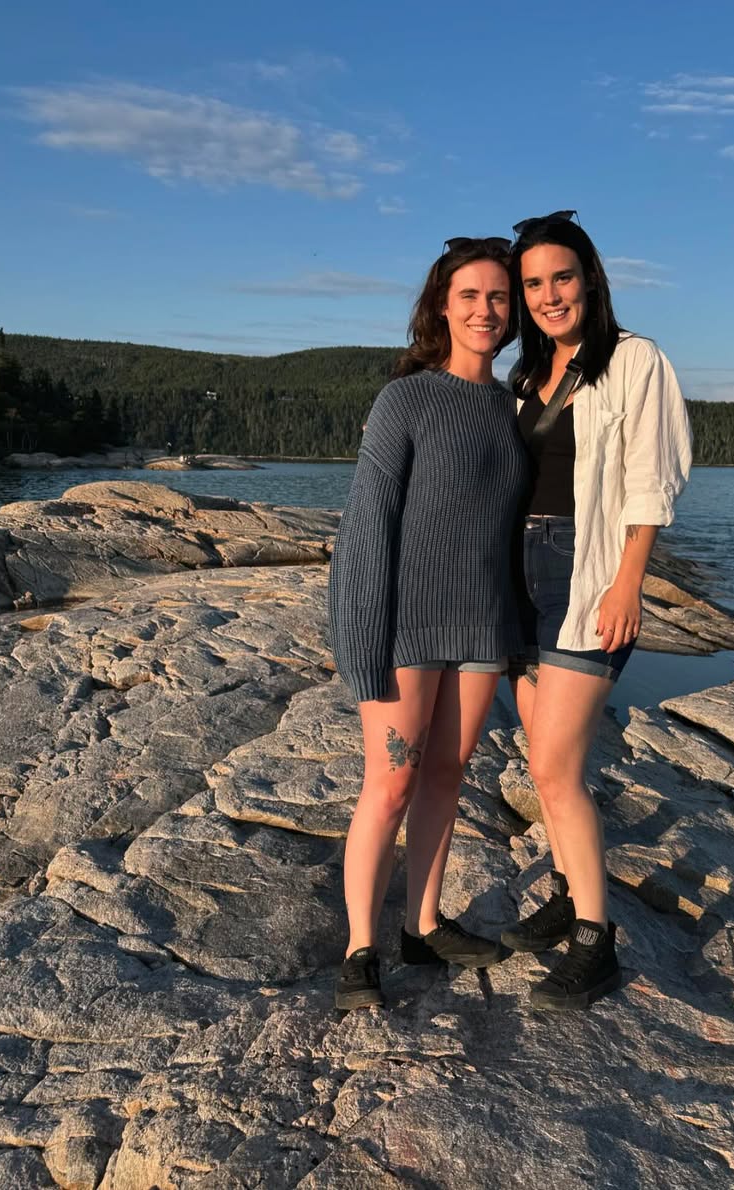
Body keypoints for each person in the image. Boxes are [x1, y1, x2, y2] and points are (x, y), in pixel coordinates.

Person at [328, 235, 528, 1010]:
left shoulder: (512, 408)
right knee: (390, 784)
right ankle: (360, 948)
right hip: (407, 626)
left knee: (448, 776)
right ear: (442, 306)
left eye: (498, 296)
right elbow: (367, 525)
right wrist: (360, 640)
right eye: (470, 295)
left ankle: (422, 923)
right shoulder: (406, 399)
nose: (486, 310)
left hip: (482, 627)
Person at [501, 210, 693, 1010]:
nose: (549, 296)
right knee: (546, 763)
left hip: (587, 571)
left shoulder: (633, 360)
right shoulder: (525, 377)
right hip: (518, 577)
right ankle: (569, 889)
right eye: (533, 284)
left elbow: (652, 477)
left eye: (562, 278)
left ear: (590, 280)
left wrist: (628, 582)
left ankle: (596, 940)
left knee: (552, 766)